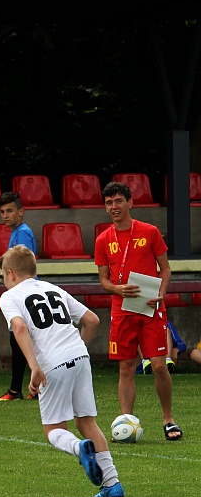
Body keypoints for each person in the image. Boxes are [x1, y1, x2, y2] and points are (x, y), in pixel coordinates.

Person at [0, 246, 123, 497]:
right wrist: (77, 349)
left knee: (53, 429)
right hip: (80, 356)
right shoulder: (54, 289)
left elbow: (20, 328)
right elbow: (92, 320)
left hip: (52, 363)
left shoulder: (9, 297)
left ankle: (80, 449)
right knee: (87, 421)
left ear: (10, 273)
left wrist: (34, 367)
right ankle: (112, 484)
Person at [94, 181, 181, 441]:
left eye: (119, 201)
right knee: (126, 367)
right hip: (122, 310)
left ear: (130, 203)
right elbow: (104, 280)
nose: (114, 207)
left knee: (157, 365)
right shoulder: (102, 239)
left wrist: (162, 293)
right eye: (109, 203)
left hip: (150, 307)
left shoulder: (150, 231)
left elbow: (165, 268)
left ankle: (168, 419)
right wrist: (117, 289)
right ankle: (127, 423)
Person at [0, 191, 38, 401]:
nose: (5, 215)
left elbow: (23, 265)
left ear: (21, 211)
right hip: (23, 293)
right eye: (2, 212)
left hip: (23, 295)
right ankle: (28, 389)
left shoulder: (22, 233)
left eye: (9, 210)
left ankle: (16, 390)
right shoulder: (18, 232)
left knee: (19, 341)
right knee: (22, 342)